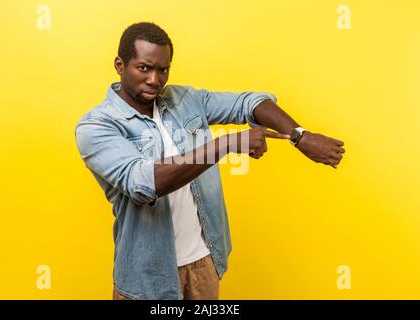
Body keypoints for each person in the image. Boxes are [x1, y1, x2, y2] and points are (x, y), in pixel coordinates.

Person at [74, 22, 345, 300]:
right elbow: (143, 184)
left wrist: (300, 136)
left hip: (204, 263)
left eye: (163, 69)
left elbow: (249, 103)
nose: (155, 79)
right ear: (120, 65)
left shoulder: (184, 100)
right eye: (144, 68)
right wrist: (227, 143)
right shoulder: (97, 126)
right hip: (147, 278)